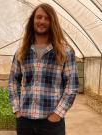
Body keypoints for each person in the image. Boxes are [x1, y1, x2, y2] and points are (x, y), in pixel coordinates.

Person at [8, 3, 79, 135]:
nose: (42, 21)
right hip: (25, 121)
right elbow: (13, 81)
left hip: (52, 123)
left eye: (47, 18)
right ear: (32, 21)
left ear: (53, 23)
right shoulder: (21, 52)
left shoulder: (64, 52)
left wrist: (57, 114)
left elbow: (72, 86)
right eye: (39, 17)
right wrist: (17, 110)